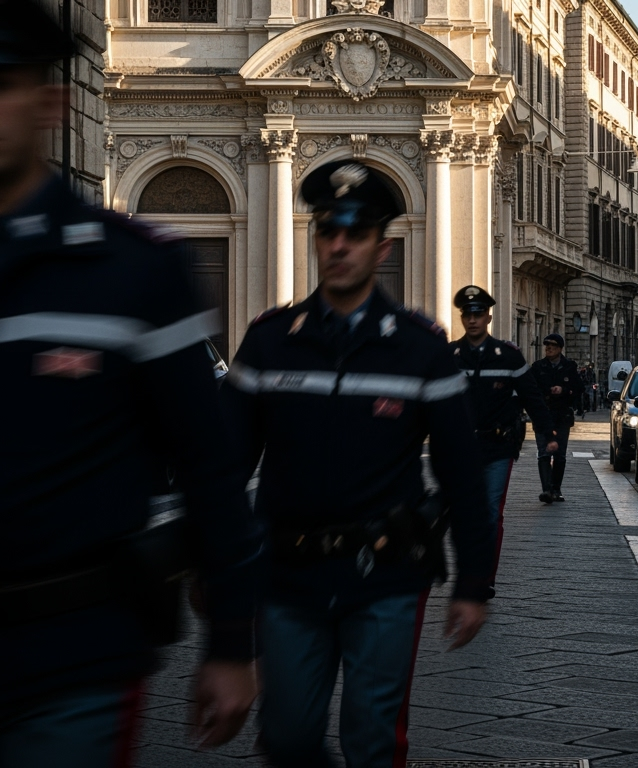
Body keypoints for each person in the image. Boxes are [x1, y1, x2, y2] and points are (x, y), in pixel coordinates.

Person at [0, 1, 262, 764]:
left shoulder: (132, 269)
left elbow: (209, 464)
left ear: (47, 104)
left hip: (79, 655)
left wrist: (231, 639)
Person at [221, 160, 494, 768]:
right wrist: (213, 563)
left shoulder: (421, 348)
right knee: (287, 738)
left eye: (355, 232)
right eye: (326, 231)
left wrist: (474, 583)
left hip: (386, 575)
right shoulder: (268, 341)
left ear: (382, 245)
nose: (338, 245)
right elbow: (223, 466)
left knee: (373, 740)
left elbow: (461, 472)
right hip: (288, 576)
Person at [450, 287, 559, 534]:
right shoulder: (450, 357)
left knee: (490, 512)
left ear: (488, 317)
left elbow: (532, 398)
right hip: (460, 447)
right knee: (464, 513)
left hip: (498, 446)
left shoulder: (509, 357)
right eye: (468, 315)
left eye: (478, 314)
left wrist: (548, 435)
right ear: (462, 318)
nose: (473, 320)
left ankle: (487, 573)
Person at [532, 334, 581, 502]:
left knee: (559, 454)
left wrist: (564, 390)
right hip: (543, 415)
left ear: (560, 348)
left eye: (552, 346)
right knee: (544, 453)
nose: (548, 348)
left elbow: (578, 388)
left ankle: (556, 489)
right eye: (546, 346)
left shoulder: (569, 367)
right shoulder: (538, 367)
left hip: (562, 416)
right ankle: (546, 489)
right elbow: (531, 390)